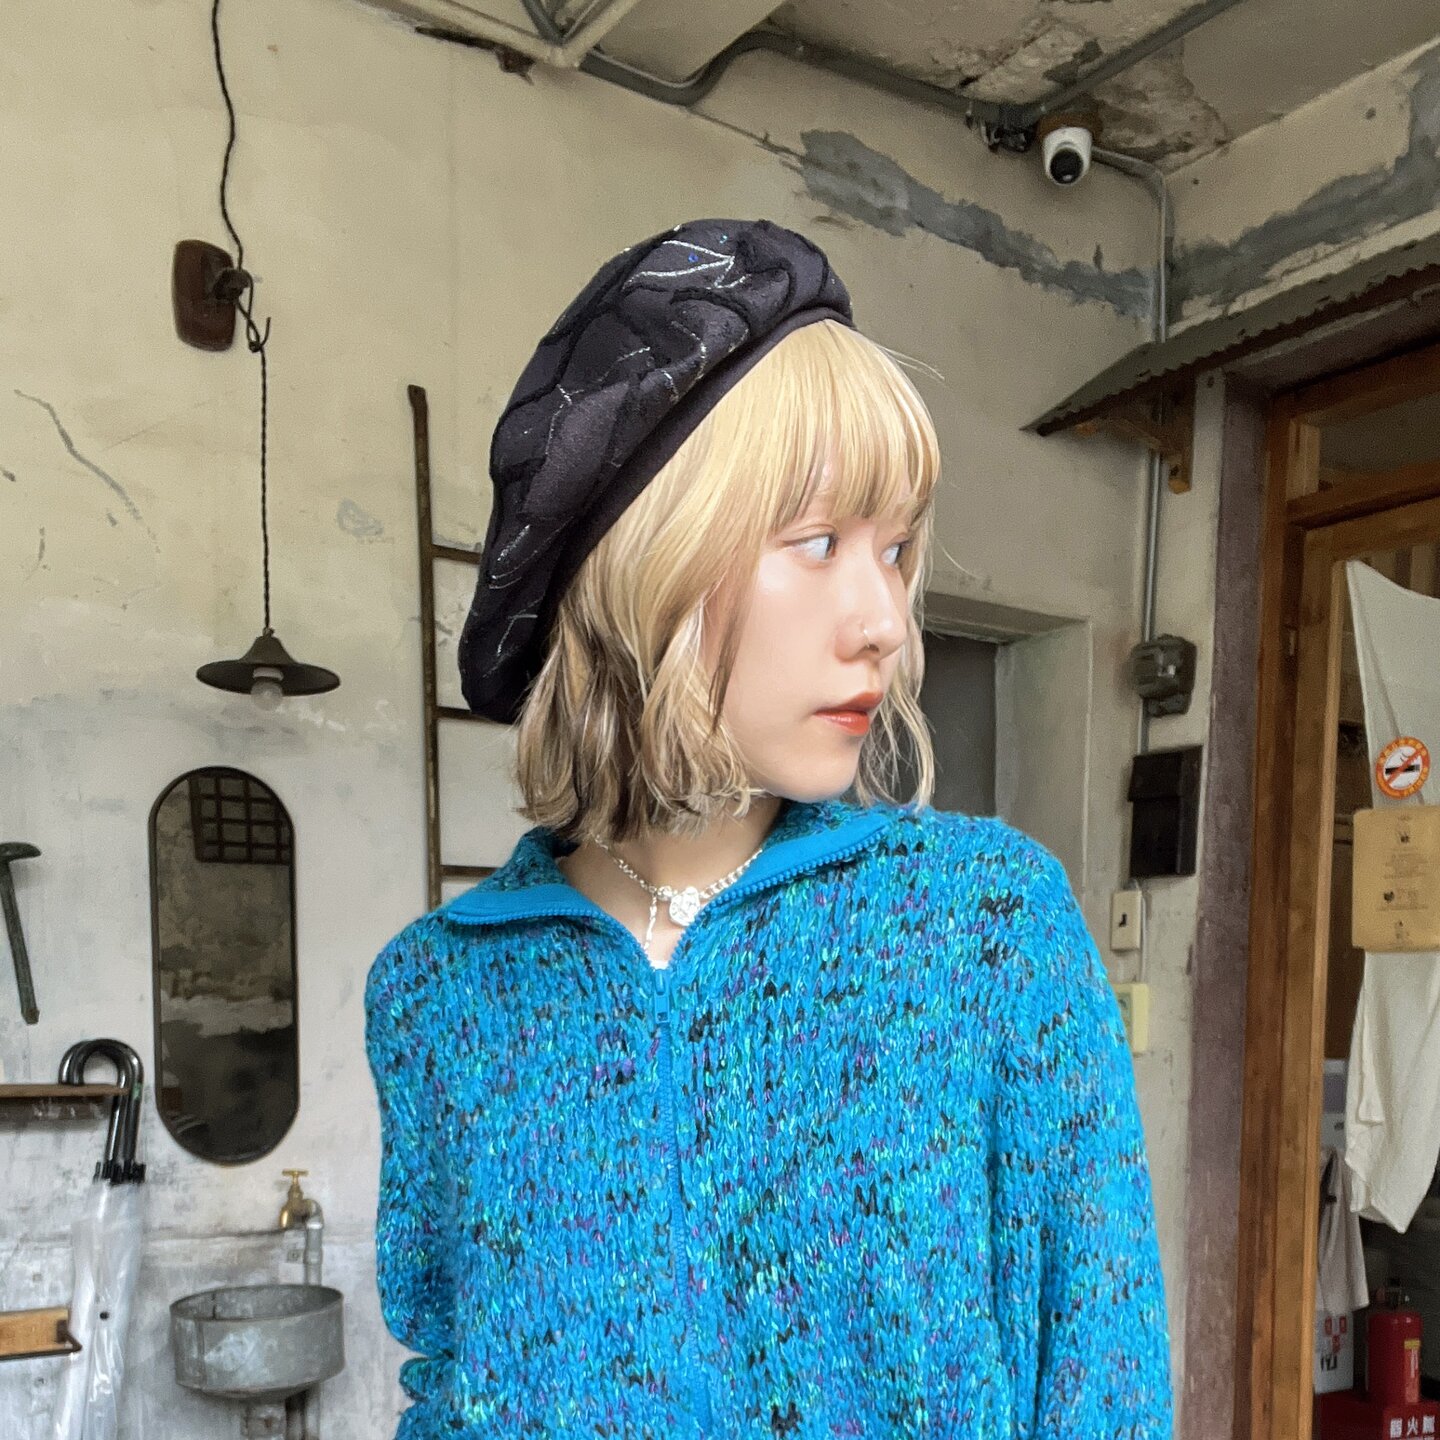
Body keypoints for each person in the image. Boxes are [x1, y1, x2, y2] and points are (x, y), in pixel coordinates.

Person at [365, 218, 1172, 1439]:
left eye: (895, 552)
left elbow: (1103, 1381)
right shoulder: (441, 993)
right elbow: (452, 1378)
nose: (885, 621)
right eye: (818, 542)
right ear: (647, 560)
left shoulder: (985, 929)